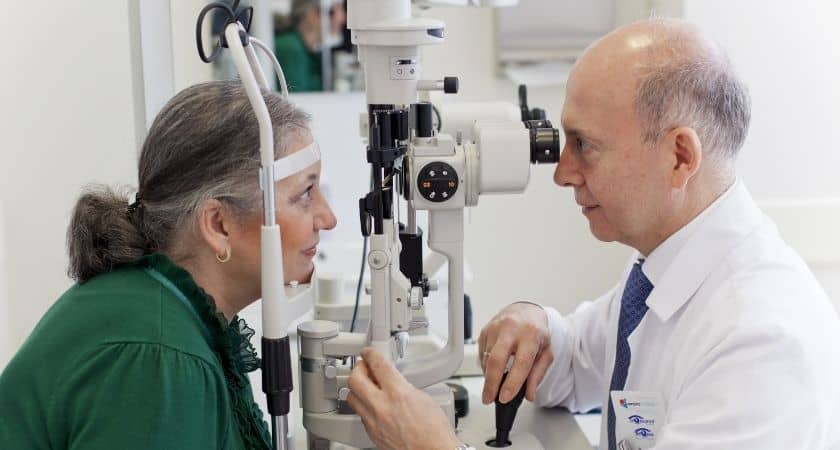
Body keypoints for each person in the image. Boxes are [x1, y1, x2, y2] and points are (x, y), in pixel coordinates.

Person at [346, 18, 840, 450]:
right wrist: (537, 323)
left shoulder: (759, 345)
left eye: (583, 145)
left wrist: (431, 445)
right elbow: (580, 360)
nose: (563, 173)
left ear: (679, 157)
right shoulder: (662, 267)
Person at [0, 80, 337, 449]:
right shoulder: (159, 359)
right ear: (218, 225)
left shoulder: (168, 312)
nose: (328, 218)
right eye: (305, 193)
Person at [274, 0, 346, 92]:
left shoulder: (311, 50)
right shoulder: (290, 49)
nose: (342, 18)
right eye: (333, 11)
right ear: (312, 14)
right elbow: (295, 98)